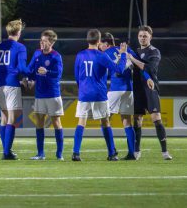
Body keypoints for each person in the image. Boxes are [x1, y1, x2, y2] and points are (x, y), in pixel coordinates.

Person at [72, 29, 127, 161]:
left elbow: (76, 76)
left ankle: (76, 153)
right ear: (98, 41)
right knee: (105, 122)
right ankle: (111, 153)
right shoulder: (101, 55)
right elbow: (119, 69)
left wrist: (82, 89)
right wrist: (123, 55)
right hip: (99, 94)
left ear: (87, 39)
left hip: (84, 93)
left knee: (81, 122)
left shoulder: (80, 55)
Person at [99, 32, 152, 160]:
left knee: (104, 120)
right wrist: (148, 78)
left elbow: (102, 74)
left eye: (101, 44)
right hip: (129, 90)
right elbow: (140, 66)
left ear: (106, 44)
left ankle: (112, 151)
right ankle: (132, 153)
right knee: (127, 121)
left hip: (115, 90)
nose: (99, 46)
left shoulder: (105, 53)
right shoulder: (127, 50)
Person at [129, 25, 173, 160]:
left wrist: (132, 59)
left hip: (150, 89)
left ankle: (165, 152)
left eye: (145, 36)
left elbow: (148, 68)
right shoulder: (135, 51)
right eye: (141, 36)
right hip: (137, 89)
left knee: (156, 118)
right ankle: (136, 151)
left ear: (150, 37)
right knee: (137, 119)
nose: (142, 38)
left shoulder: (154, 52)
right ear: (138, 37)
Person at [0, 19, 30, 160]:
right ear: (18, 32)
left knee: (4, 117)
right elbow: (21, 68)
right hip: (12, 84)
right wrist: (31, 74)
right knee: (12, 119)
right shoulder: (20, 47)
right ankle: (7, 152)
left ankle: (6, 150)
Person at [26, 29, 64, 161]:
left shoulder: (56, 56)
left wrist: (46, 72)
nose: (42, 43)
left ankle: (59, 154)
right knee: (39, 123)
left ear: (52, 42)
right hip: (39, 94)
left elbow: (58, 75)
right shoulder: (37, 53)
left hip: (53, 94)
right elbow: (31, 70)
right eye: (41, 40)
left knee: (56, 123)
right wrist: (29, 79)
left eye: (45, 41)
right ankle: (40, 154)